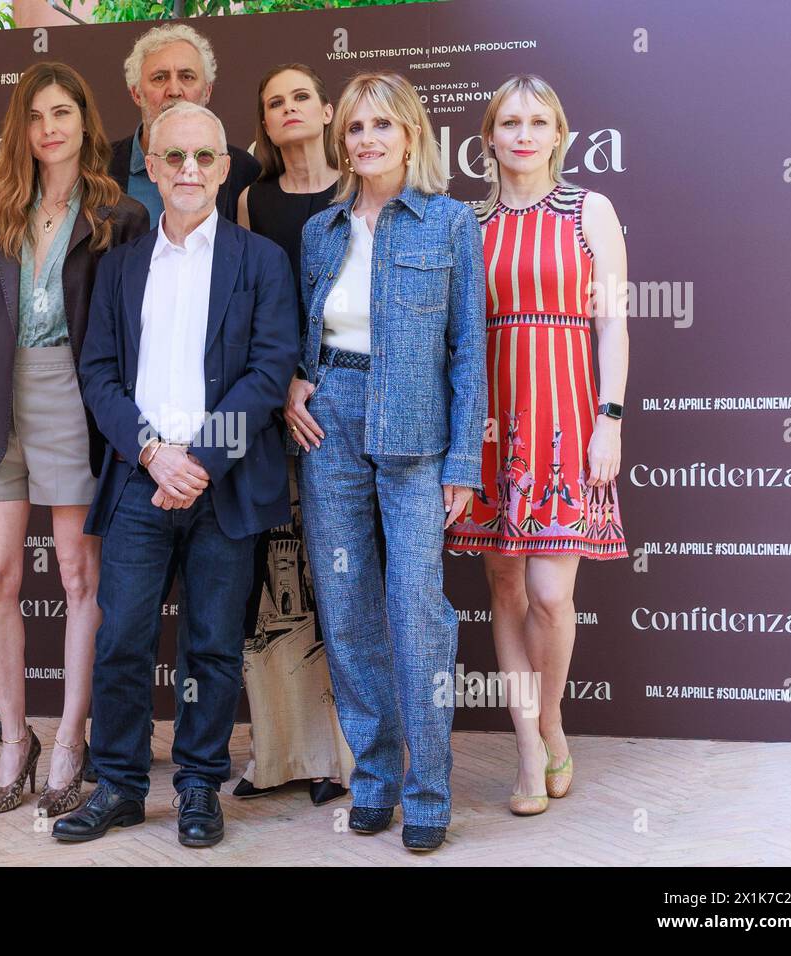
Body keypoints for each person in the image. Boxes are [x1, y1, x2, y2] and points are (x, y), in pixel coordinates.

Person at [52, 102, 298, 848]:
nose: (189, 170)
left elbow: (269, 369)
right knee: (122, 636)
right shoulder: (120, 264)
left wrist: (197, 460)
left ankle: (197, 784)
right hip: (137, 481)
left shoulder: (262, 262)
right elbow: (97, 374)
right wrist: (154, 452)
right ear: (151, 167)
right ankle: (120, 786)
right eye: (173, 157)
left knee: (213, 644)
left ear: (224, 169)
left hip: (222, 485)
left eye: (204, 157)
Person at [0, 62, 148, 818]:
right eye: (35, 116)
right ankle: (13, 739)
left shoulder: (117, 215)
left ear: (84, 122)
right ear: (18, 129)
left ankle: (69, 739)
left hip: (76, 399)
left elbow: (131, 334)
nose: (48, 128)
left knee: (77, 578)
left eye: (61, 113)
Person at [289, 71, 486, 852]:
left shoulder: (448, 223)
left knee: (418, 615)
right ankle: (372, 778)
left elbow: (470, 350)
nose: (367, 139)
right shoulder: (321, 230)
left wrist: (463, 462)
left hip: (416, 434)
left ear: (411, 135)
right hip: (330, 423)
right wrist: (292, 388)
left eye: (383, 126)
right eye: (357, 128)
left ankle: (429, 790)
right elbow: (303, 336)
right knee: (346, 611)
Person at [443, 74, 629, 816]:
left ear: (559, 134)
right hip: (490, 426)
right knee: (506, 589)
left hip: (567, 419)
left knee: (553, 596)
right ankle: (527, 746)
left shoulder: (592, 212)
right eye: (509, 122)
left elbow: (613, 321)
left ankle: (550, 718)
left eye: (538, 121)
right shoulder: (467, 224)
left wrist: (609, 418)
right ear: (487, 138)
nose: (523, 133)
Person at [232, 63, 351, 807]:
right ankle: (279, 755)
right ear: (265, 124)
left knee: (341, 583)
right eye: (273, 101)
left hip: (347, 411)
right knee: (278, 596)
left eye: (300, 96)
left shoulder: (360, 186)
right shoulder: (252, 199)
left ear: (326, 109)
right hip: (278, 415)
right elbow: (252, 309)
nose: (288, 109)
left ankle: (341, 757)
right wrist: (277, 395)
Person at [110, 23, 260, 228]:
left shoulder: (244, 171)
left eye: (186, 77)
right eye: (159, 77)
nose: (174, 90)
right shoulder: (100, 167)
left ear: (207, 91)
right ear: (136, 93)